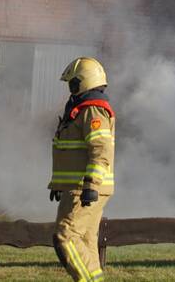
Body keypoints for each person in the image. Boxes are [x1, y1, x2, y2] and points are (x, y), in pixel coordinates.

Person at [48, 57, 115, 282]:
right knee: (85, 241)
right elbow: (72, 152)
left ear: (84, 82)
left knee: (65, 237)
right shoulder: (82, 109)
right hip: (79, 187)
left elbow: (101, 149)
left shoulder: (92, 111)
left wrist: (91, 185)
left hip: (85, 189)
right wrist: (59, 184)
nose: (70, 89)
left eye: (73, 83)